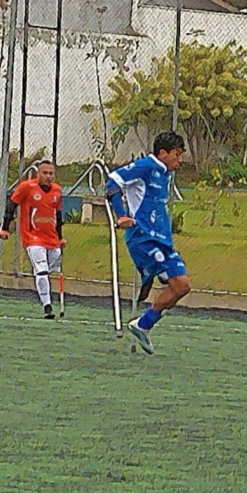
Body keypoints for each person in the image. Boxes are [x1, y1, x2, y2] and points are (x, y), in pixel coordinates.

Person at [105, 131, 191, 355]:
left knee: (182, 286)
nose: (179, 160)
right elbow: (113, 181)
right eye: (176, 154)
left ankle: (143, 324)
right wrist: (121, 214)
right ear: (162, 153)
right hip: (142, 237)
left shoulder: (165, 172)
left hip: (163, 240)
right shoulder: (145, 166)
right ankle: (151, 275)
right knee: (170, 280)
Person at [0, 160, 65, 319]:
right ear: (38, 174)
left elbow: (58, 215)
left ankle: (44, 289)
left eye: (51, 173)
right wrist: (5, 228)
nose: (48, 176)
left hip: (52, 238)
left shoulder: (57, 191)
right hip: (32, 237)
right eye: (45, 173)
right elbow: (11, 204)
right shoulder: (27, 188)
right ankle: (47, 306)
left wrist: (60, 238)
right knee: (41, 270)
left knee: (50, 268)